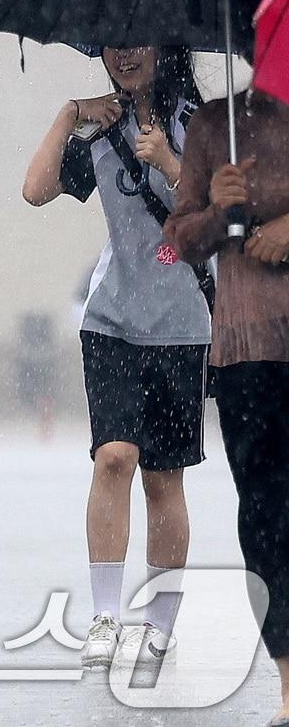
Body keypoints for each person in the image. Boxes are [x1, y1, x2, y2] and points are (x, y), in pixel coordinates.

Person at [22, 46, 210, 672]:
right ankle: (105, 616)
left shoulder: (203, 124)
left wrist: (169, 161)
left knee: (164, 478)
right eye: (112, 43)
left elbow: (224, 212)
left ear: (165, 45)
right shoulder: (103, 132)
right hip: (113, 323)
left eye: (137, 39)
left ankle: (157, 625)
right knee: (114, 458)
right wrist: (71, 112)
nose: (124, 54)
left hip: (182, 326)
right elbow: (34, 190)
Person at [167, 53, 289, 726]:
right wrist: (218, 210)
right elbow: (180, 238)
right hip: (247, 349)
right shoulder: (218, 127)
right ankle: (288, 678)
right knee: (267, 515)